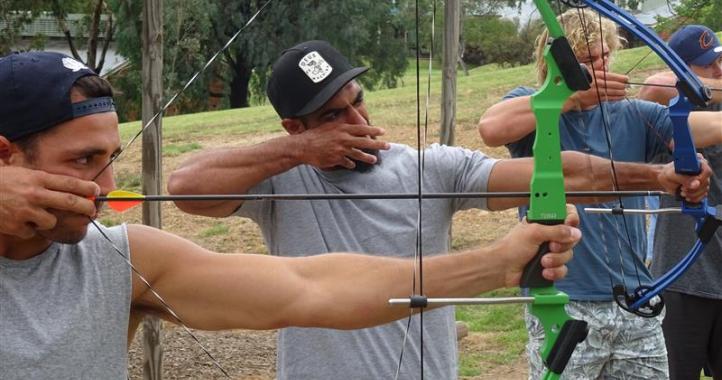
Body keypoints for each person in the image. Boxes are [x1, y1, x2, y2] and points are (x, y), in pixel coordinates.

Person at [0, 51, 584, 379]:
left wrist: (499, 264)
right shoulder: (282, 170)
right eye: (82, 161)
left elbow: (310, 287)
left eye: (111, 160)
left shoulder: (117, 258)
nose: (104, 188)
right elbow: (188, 186)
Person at [168, 40, 710, 379]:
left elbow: (567, 173)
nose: (357, 122)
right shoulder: (278, 181)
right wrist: (297, 155)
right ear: (295, 127)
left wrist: (661, 177)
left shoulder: (429, 167)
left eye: (357, 101)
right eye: (333, 116)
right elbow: (183, 186)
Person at [478, 10, 722, 380]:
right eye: (586, 59)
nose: (600, 65)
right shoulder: (535, 106)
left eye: (604, 55)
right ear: (555, 62)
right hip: (563, 301)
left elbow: (698, 126)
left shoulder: (634, 114)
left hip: (636, 302)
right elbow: (491, 128)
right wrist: (572, 97)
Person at [639, 25, 722, 380]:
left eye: (720, 60)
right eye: (707, 66)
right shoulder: (666, 119)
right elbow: (652, 90)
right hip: (684, 280)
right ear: (683, 72)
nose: (719, 70)